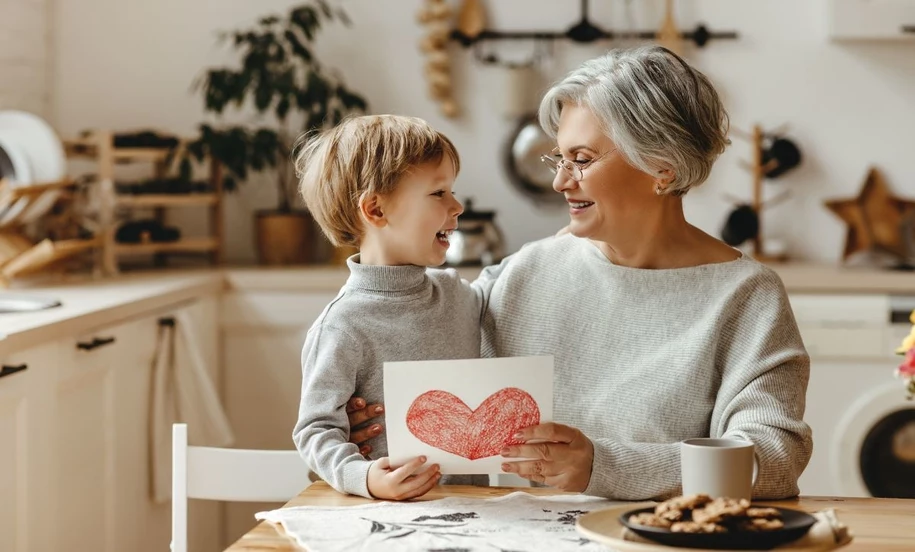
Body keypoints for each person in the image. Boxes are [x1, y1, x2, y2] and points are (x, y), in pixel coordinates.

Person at [346, 46, 813, 501]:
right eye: (559, 159)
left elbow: (774, 460)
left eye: (582, 161)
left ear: (662, 168)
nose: (560, 181)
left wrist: (603, 466)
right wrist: (373, 413)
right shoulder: (530, 270)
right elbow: (429, 352)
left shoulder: (746, 296)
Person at [292, 114, 488, 500]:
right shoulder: (341, 325)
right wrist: (364, 477)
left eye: (452, 190)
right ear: (376, 210)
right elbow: (315, 430)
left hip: (475, 514)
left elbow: (513, 278)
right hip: (384, 522)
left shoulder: (458, 295)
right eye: (438, 193)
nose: (458, 205)